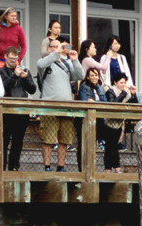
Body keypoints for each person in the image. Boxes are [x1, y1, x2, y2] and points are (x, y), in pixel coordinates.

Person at [36, 39, 84, 172]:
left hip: (66, 107)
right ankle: (47, 167)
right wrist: (56, 53)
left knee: (65, 139)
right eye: (55, 46)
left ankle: (60, 167)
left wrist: (75, 60)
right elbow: (40, 65)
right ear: (50, 48)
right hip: (50, 107)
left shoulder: (67, 63)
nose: (60, 48)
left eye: (61, 46)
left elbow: (80, 75)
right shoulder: (45, 63)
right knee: (48, 139)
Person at [0, 46, 36, 171]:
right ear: (5, 57)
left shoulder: (23, 70)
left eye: (15, 59)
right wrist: (14, 76)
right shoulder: (0, 72)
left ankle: (14, 167)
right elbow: (2, 88)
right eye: (11, 59)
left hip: (21, 112)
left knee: (18, 141)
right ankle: (2, 167)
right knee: (3, 141)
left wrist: (25, 78)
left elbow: (32, 89)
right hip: (6, 113)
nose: (13, 61)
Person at [101, 72, 137, 172]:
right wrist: (123, 93)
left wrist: (133, 95)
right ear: (115, 82)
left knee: (115, 145)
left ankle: (113, 167)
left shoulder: (127, 93)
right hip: (109, 122)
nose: (123, 85)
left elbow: (134, 104)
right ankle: (111, 168)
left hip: (120, 122)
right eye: (121, 82)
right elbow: (114, 104)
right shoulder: (110, 91)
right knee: (110, 146)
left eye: (125, 82)